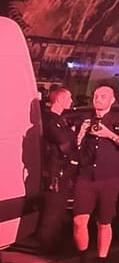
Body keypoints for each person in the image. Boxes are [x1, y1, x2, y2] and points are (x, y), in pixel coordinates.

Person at [70, 84, 119, 263]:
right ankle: (83, 261)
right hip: (86, 177)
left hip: (109, 178)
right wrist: (80, 134)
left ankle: (101, 262)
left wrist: (110, 135)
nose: (98, 99)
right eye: (96, 95)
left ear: (112, 100)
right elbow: (74, 149)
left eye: (103, 96)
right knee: (78, 220)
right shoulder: (85, 120)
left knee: (104, 222)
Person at [36, 85, 76, 252]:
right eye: (69, 98)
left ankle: (53, 243)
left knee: (58, 211)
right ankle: (47, 246)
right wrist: (74, 134)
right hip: (54, 173)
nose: (72, 101)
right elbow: (63, 141)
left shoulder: (60, 120)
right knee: (52, 211)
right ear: (59, 99)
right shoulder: (50, 120)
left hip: (61, 172)